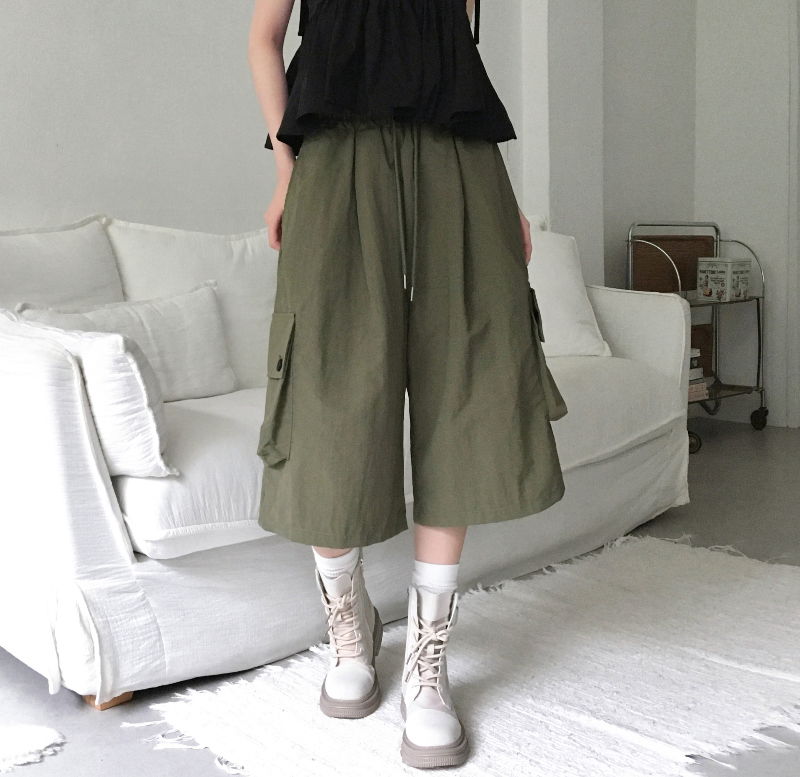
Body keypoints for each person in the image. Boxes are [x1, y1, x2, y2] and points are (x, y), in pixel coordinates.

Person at [247, 0, 568, 768]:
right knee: (327, 386)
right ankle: (349, 625)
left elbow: (457, 52)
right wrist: (286, 170)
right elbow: (263, 37)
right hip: (334, 154)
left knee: (465, 380)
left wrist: (503, 196)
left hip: (457, 159)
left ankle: (429, 662)